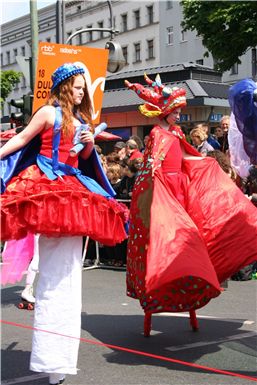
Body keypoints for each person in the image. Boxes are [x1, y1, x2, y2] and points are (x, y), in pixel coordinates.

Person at [0, 63, 128, 385]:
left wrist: (87, 142)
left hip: (73, 189)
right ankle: (54, 361)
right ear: (63, 86)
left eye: (84, 87)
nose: (82, 91)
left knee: (66, 274)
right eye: (78, 86)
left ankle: (58, 361)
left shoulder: (83, 120)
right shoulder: (47, 113)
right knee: (55, 275)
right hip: (48, 189)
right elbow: (22, 139)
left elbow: (86, 159)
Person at [125, 73, 257, 336]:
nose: (178, 116)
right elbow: (153, 168)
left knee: (193, 239)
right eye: (175, 111)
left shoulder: (174, 132)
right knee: (168, 243)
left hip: (180, 191)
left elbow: (188, 155)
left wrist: (209, 163)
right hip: (164, 193)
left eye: (178, 111)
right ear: (163, 112)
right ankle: (159, 293)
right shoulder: (156, 135)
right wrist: (159, 196)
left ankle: (196, 283)